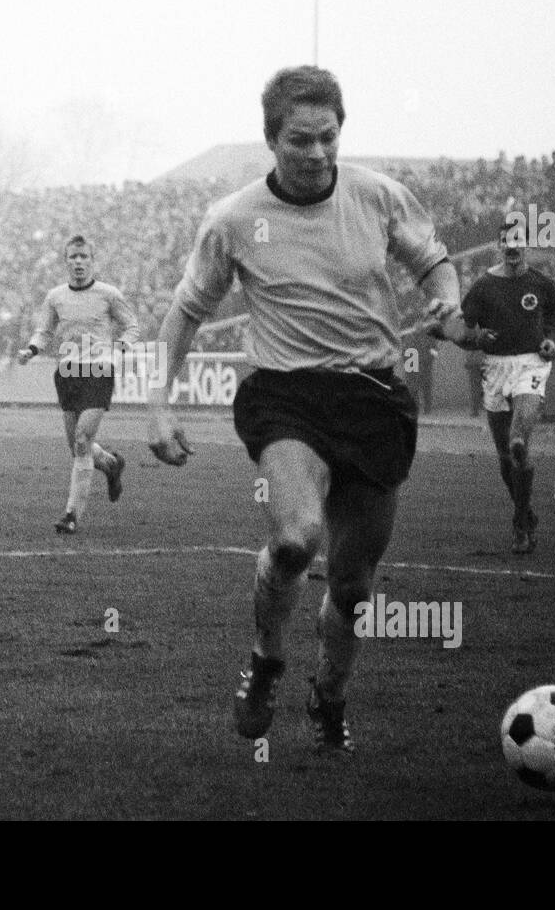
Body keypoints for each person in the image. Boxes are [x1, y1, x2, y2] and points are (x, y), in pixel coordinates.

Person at [147, 66, 469, 754]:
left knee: (353, 587)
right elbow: (184, 315)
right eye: (300, 139)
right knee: (296, 538)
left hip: (374, 398)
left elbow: (436, 265)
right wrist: (157, 404)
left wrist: (449, 300)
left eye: (329, 137)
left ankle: (330, 696)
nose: (318, 152)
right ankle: (266, 660)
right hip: (285, 396)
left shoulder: (379, 196)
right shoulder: (234, 219)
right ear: (271, 139)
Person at [17, 235, 138, 534]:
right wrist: (31, 350)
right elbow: (44, 331)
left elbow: (132, 326)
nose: (79, 262)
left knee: (83, 439)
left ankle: (71, 515)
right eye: (73, 257)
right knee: (76, 448)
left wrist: (119, 348)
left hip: (98, 371)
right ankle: (110, 464)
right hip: (68, 372)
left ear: (93, 261)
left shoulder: (108, 294)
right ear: (66, 261)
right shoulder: (55, 296)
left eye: (84, 257)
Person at [460, 216, 555, 554]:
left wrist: (549, 340)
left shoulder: (544, 285)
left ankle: (519, 525)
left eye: (519, 241)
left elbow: (552, 320)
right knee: (506, 458)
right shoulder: (482, 288)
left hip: (531, 363)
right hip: (495, 368)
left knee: (518, 442)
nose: (513, 247)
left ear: (527, 245)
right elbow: (463, 331)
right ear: (499, 246)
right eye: (507, 242)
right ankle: (524, 516)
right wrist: (476, 337)